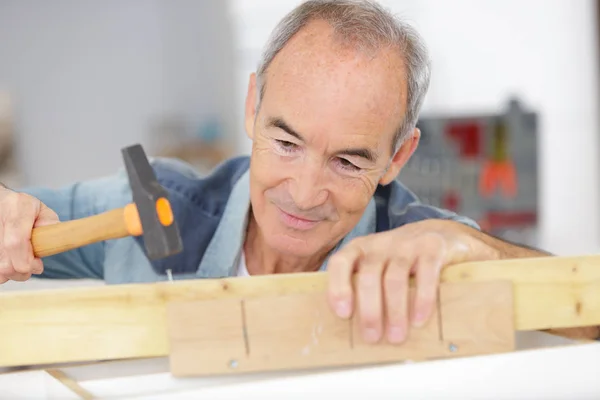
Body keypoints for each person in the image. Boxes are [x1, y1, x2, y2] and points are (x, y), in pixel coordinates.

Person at [0, 0, 595, 342]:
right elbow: (17, 220)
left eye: (347, 160)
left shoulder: (427, 246)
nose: (305, 193)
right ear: (252, 106)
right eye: (286, 142)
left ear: (397, 157)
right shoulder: (160, 198)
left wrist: (475, 247)